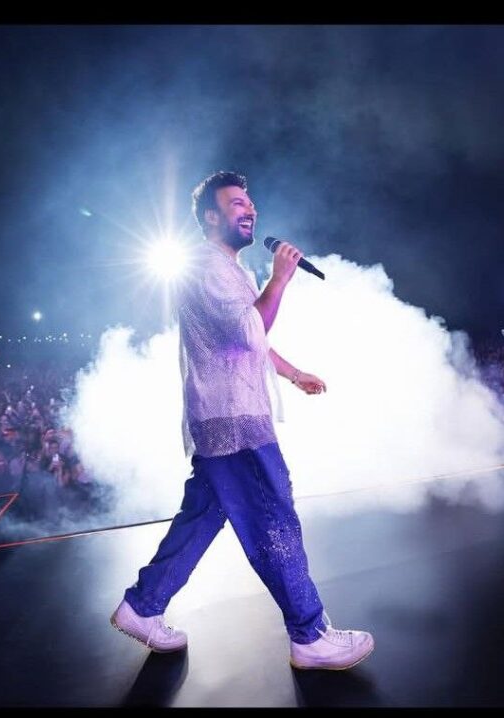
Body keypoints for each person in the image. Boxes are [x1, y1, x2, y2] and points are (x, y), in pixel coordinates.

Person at [111, 171, 374, 670]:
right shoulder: (207, 266)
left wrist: (292, 373)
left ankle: (142, 607)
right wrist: (280, 278)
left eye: (250, 202)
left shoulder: (228, 269)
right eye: (236, 203)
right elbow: (248, 331)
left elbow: (248, 339)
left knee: (203, 515)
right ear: (212, 217)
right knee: (274, 517)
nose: (249, 208)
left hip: (224, 417)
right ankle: (309, 635)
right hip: (235, 421)